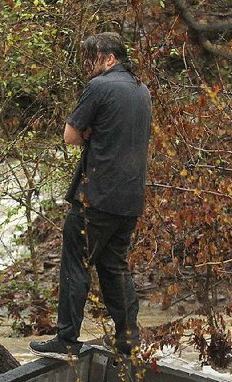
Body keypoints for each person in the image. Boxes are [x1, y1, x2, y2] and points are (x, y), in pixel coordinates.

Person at [29, 32, 152, 360]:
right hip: (130, 197)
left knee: (75, 264)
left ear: (110, 58)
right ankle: (128, 339)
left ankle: (67, 338)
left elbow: (70, 135)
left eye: (93, 58)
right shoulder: (143, 90)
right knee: (115, 267)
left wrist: (92, 136)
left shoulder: (100, 87)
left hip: (97, 195)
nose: (88, 65)